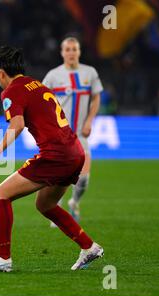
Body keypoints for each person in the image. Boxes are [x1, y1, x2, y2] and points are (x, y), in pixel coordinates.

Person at [0, 46, 103, 272]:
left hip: (56, 155)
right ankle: (88, 246)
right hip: (75, 152)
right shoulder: (37, 84)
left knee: (0, 194)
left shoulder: (11, 91)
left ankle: (3, 258)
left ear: (1, 72)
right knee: (45, 204)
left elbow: (17, 124)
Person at [42, 37, 103, 223]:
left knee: (83, 179)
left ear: (79, 51)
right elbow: (42, 101)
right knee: (58, 176)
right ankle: (55, 207)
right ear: (62, 53)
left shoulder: (89, 73)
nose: (71, 53)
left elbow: (96, 97)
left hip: (79, 134)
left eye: (74, 49)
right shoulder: (53, 75)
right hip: (60, 137)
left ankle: (74, 202)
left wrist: (89, 121)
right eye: (67, 49)